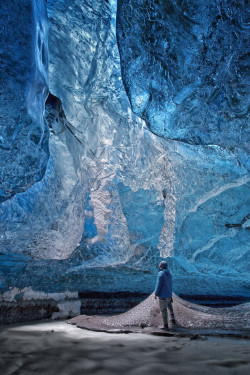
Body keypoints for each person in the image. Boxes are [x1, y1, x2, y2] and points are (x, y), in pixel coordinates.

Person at [154, 261, 176, 329]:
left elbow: (158, 285)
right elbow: (170, 284)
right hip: (169, 295)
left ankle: (165, 325)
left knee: (163, 310)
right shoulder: (169, 273)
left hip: (163, 295)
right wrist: (170, 295)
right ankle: (173, 319)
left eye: (159, 265)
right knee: (170, 307)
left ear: (160, 266)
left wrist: (156, 293)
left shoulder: (160, 273)